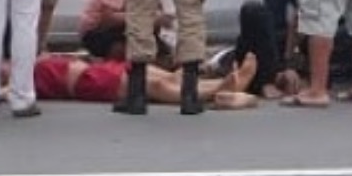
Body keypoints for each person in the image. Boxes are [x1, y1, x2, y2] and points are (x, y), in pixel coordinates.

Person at [30, 53, 258, 110]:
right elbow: (8, 91)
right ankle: (215, 91)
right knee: (156, 87)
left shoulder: (25, 58)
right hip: (87, 82)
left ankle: (227, 83)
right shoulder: (19, 82)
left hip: (99, 68)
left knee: (171, 76)